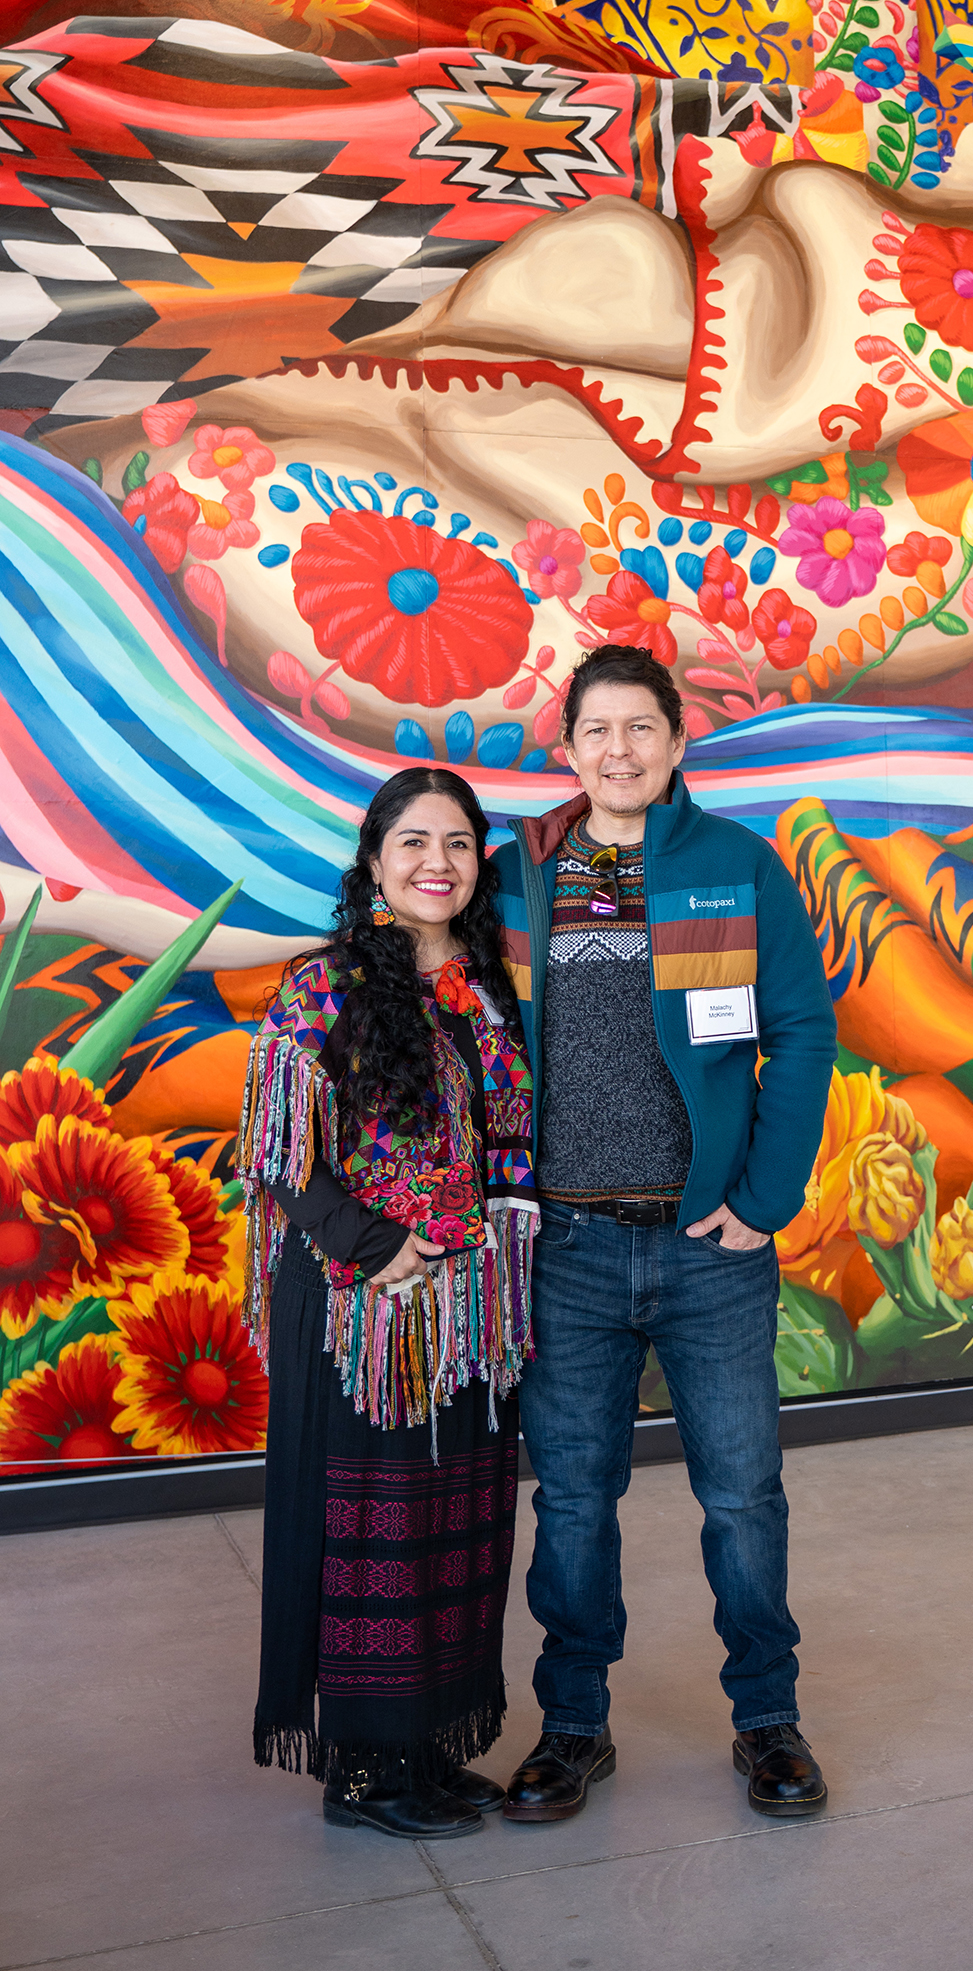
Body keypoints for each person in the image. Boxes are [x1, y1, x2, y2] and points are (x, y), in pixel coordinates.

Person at [493, 644, 837, 1822]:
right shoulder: (519, 875)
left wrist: (764, 1201)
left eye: (643, 729)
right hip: (568, 1255)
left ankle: (768, 1720)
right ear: (570, 748)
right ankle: (573, 1725)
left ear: (678, 744)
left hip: (710, 1251)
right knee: (574, 1502)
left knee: (743, 1496)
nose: (620, 751)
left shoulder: (733, 867)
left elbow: (799, 1031)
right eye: (598, 731)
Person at [236, 767, 537, 1838]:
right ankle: (361, 1772)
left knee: (455, 1523)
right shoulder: (322, 987)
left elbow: (509, 1143)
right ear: (374, 861)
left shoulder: (488, 986)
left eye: (457, 845)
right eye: (413, 844)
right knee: (372, 1529)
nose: (436, 865)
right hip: (360, 1305)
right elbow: (276, 1147)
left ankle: (422, 1741)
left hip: (465, 1312)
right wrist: (371, 1246)